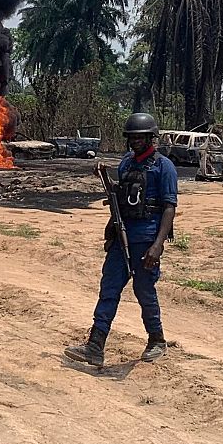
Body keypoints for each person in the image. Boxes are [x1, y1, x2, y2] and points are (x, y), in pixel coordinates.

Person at [65, 112, 177, 369]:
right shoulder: (127, 163)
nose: (136, 141)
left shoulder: (164, 167)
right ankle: (95, 346)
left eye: (141, 137)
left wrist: (158, 245)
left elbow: (169, 207)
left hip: (147, 238)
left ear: (151, 138)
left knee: (144, 290)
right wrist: (105, 178)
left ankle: (157, 340)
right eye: (132, 137)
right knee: (110, 289)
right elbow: (121, 195)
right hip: (122, 235)